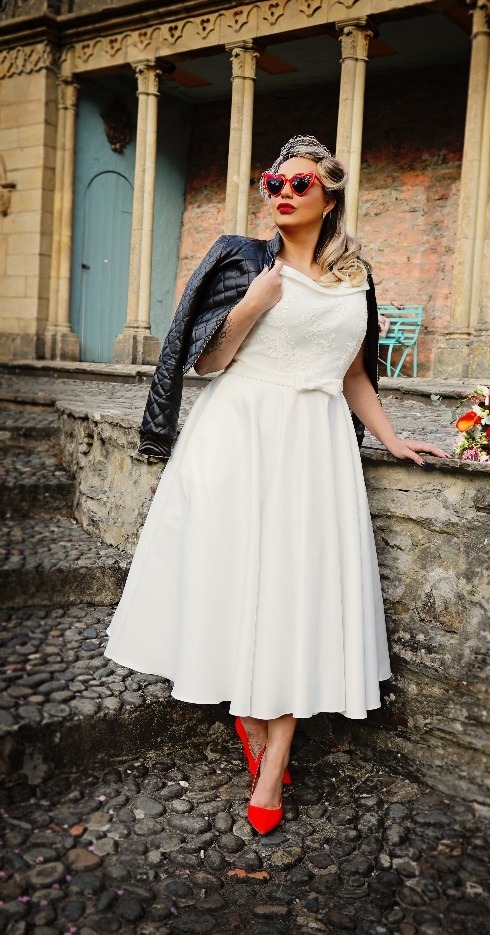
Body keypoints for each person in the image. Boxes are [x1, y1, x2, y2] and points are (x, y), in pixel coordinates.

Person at [104, 135, 450, 835]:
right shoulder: (244, 260)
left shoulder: (356, 277)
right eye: (274, 181)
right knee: (243, 586)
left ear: (329, 197)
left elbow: (353, 374)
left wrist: (390, 438)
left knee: (296, 593)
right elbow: (206, 359)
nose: (282, 192)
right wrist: (255, 302)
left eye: (298, 184)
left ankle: (271, 754)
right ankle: (250, 715)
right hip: (238, 438)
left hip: (315, 449)